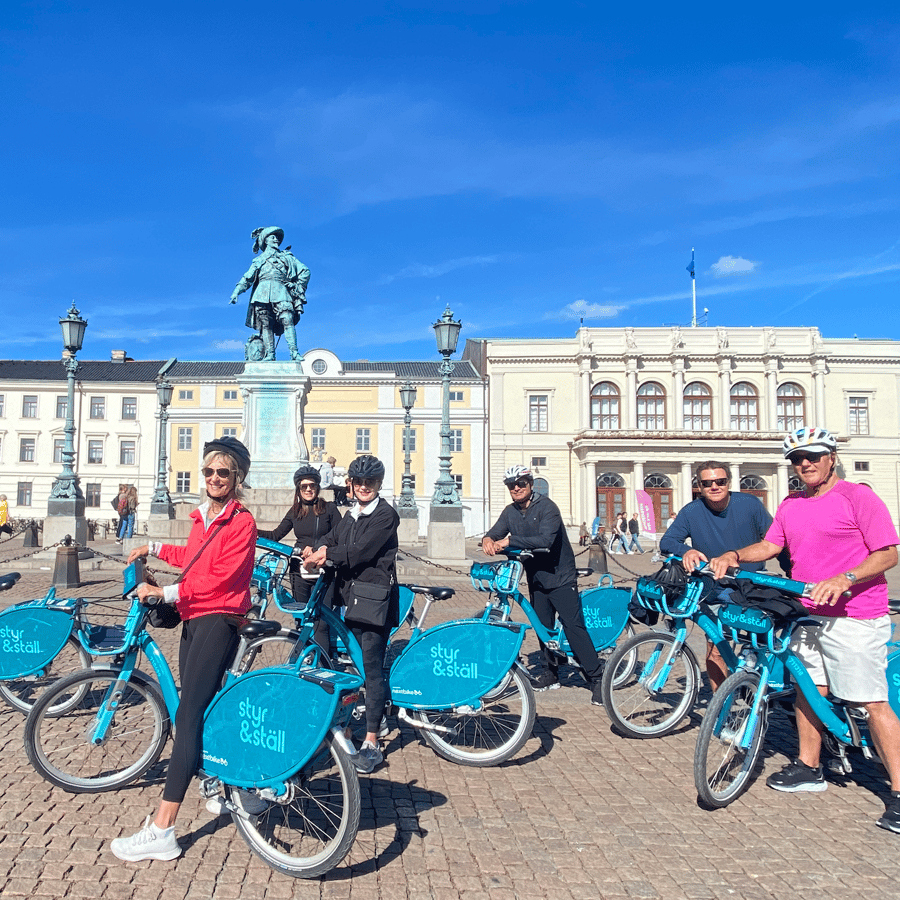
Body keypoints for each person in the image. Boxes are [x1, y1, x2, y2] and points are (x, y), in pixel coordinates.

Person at [709, 427, 900, 833]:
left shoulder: (857, 497)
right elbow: (771, 546)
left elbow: (887, 553)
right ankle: (809, 767)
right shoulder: (792, 503)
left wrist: (845, 578)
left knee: (871, 700)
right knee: (809, 689)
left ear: (831, 457)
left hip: (854, 615)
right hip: (807, 613)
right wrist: (734, 554)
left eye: (813, 455)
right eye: (797, 459)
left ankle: (899, 792)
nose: (805, 464)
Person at [110, 437, 257, 862]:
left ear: (237, 478)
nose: (214, 478)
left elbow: (221, 578)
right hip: (194, 618)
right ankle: (229, 785)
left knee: (188, 716)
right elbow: (193, 558)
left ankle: (163, 829)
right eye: (209, 471)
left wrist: (165, 592)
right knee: (200, 710)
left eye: (223, 472)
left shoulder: (242, 521)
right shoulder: (202, 516)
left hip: (219, 618)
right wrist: (152, 548)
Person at [302, 455, 399, 773]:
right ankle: (349, 728)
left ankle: (372, 740)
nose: (364, 487)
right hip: (351, 599)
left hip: (373, 602)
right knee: (353, 666)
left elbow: (359, 552)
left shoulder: (386, 515)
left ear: (378, 484)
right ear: (351, 484)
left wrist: (325, 555)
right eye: (359, 482)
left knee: (370, 668)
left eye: (370, 482)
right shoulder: (353, 513)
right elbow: (333, 538)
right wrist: (316, 547)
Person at [481, 465, 604, 704]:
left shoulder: (548, 508)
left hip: (560, 576)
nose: (516, 488)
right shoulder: (510, 512)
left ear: (530, 484)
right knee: (542, 627)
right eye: (511, 485)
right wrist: (488, 538)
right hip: (536, 578)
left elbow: (545, 540)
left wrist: (508, 541)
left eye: (520, 483)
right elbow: (495, 532)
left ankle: (597, 677)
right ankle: (551, 673)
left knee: (573, 627)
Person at [660, 460, 776, 691]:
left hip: (752, 585)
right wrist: (686, 550)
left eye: (720, 481)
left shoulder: (750, 504)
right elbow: (668, 541)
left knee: (761, 644)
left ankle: (761, 690)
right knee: (716, 647)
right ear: (699, 486)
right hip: (715, 586)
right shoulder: (692, 511)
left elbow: (775, 540)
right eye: (707, 483)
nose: (714, 486)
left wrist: (791, 570)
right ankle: (720, 702)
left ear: (729, 482)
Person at [257, 464, 340, 653]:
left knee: (322, 622)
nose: (308, 489)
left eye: (312, 485)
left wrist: (318, 548)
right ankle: (304, 659)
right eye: (304, 486)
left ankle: (322, 662)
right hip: (299, 571)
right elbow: (275, 535)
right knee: (301, 619)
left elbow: (340, 536)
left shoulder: (329, 509)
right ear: (298, 489)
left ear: (317, 487)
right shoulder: (295, 511)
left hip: (324, 570)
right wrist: (251, 529)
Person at [230, 226, 310, 361]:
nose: (276, 239)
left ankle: (294, 353)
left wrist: (297, 286)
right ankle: (270, 354)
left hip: (281, 291)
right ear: (265, 241)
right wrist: (236, 292)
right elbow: (247, 278)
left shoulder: (286, 257)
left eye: (277, 237)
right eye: (273, 237)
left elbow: (305, 271)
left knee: (287, 319)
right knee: (266, 324)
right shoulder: (258, 260)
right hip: (262, 293)